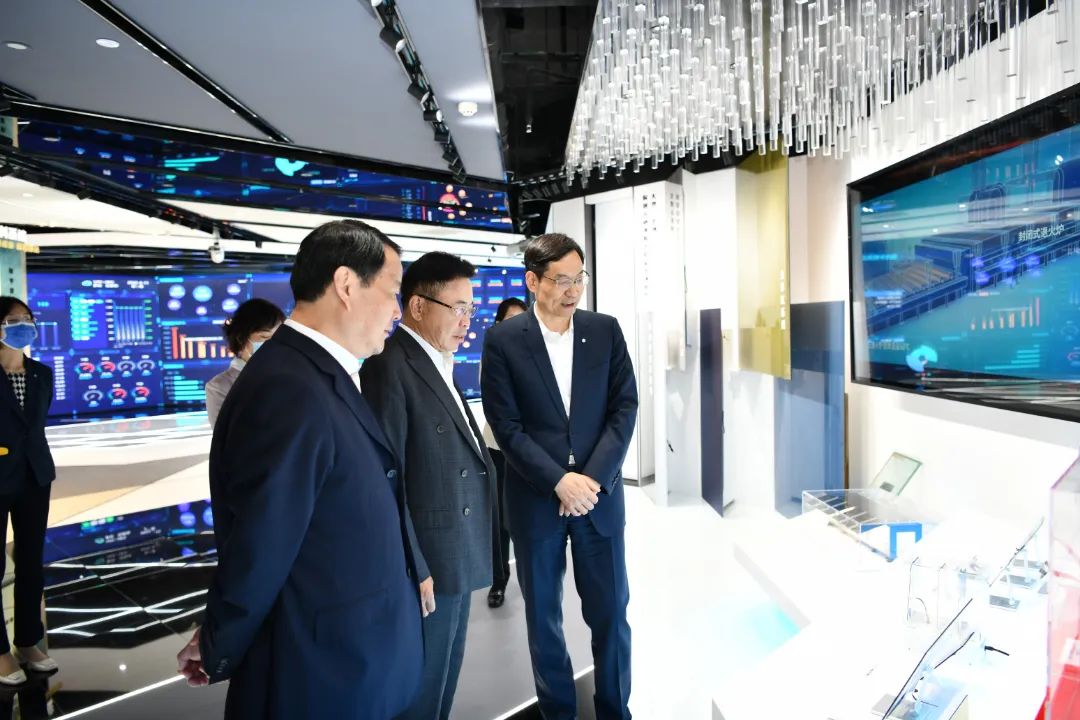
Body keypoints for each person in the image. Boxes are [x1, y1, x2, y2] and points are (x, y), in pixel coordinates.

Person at [176, 220, 423, 719]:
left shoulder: (317, 372)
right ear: (346, 285)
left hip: (352, 657)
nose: (398, 311)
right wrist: (220, 639)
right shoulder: (287, 388)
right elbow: (261, 542)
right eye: (392, 291)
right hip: (320, 671)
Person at [481, 234, 638, 720]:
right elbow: (505, 424)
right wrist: (558, 480)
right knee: (544, 621)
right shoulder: (504, 340)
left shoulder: (604, 330)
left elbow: (624, 407)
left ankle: (615, 711)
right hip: (536, 498)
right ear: (533, 281)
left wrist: (591, 479)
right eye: (562, 280)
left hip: (598, 497)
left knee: (611, 616)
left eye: (580, 278)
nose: (573, 290)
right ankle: (558, 714)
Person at [360, 252, 500, 720]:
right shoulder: (390, 365)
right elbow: (387, 477)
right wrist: (414, 563)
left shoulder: (436, 360)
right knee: (421, 690)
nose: (466, 321)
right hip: (428, 562)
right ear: (418, 305)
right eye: (457, 308)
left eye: (470, 309)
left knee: (443, 681)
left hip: (453, 551)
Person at [0, 297, 59, 686]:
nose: (23, 325)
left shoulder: (41, 373)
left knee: (31, 562)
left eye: (28, 318)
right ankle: (1, 652)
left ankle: (27, 641)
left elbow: (34, 428)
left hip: (35, 476)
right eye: (13, 319)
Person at [481, 296, 528, 609]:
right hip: (499, 448)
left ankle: (530, 579)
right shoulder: (492, 355)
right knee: (499, 520)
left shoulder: (537, 354)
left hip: (529, 452)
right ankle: (499, 581)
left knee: (526, 518)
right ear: (498, 325)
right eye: (511, 321)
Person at [204, 298, 284, 427]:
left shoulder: (288, 377)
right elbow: (227, 435)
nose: (272, 344)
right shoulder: (219, 387)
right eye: (264, 337)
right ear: (241, 338)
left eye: (277, 337)